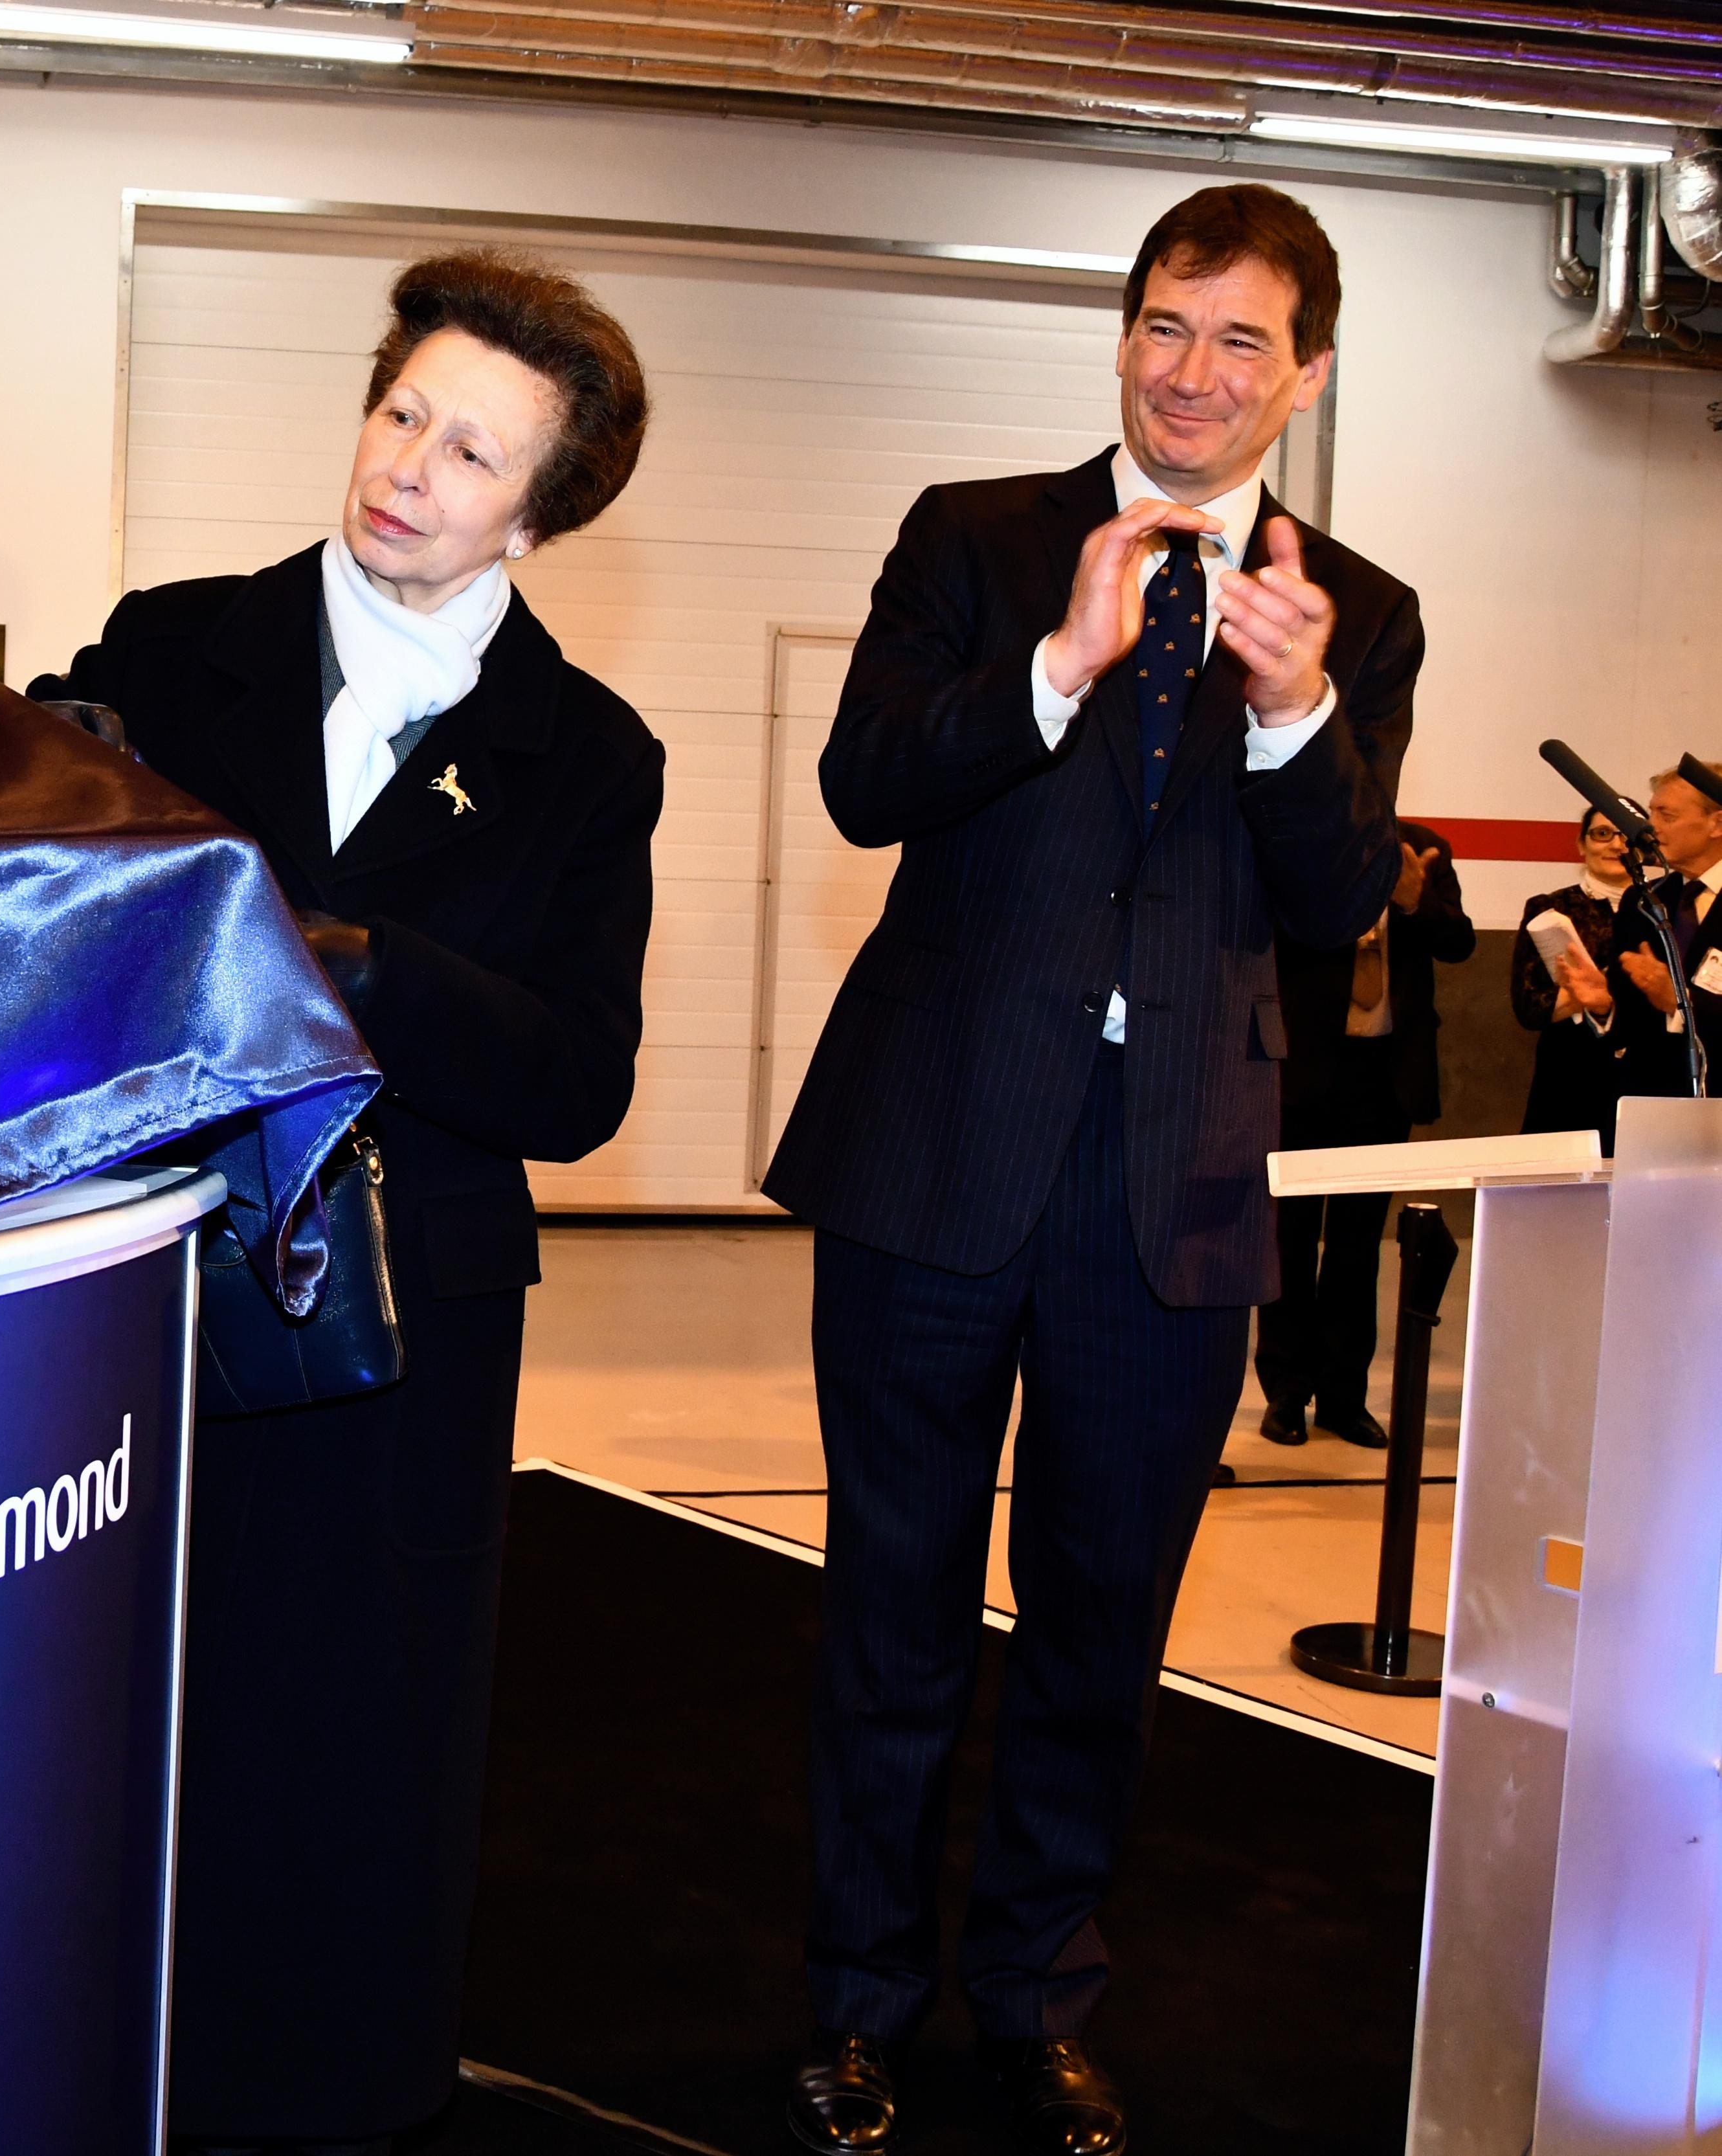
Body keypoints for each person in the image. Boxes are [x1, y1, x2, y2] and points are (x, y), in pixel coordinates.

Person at [759, 185, 1415, 2156]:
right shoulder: (974, 538)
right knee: (890, 1610)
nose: (1189, 372)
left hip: (1177, 1183)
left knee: (1098, 1629)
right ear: (1118, 335)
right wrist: (1054, 663)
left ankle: (1035, 2000)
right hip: (934, 1159)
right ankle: (856, 2006)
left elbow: (1339, 906)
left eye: (1238, 342)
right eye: (1160, 325)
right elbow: (866, 781)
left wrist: (1299, 717)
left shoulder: (1354, 613)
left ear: (1306, 372)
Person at [34, 249, 662, 2155]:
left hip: (412, 1316)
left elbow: (578, 1082)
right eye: (403, 413)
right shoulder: (164, 650)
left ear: (542, 511)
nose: (409, 469)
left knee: (367, 1743)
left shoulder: (591, 757)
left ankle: (347, 2099)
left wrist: (368, 965)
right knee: (131, 1711)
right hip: (143, 1272)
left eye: (473, 452)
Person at [1255, 818, 1474, 1448]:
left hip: (1382, 1080)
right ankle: (1287, 1393)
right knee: (1289, 1241)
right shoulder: (1298, 834)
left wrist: (1413, 899)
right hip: (1299, 1070)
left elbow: (1457, 942)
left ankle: (1343, 1397)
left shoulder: (1420, 847)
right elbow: (1274, 934)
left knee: (1357, 1244)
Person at [1511, 809, 1633, 1149]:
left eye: (1626, 835)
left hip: (1642, 1072)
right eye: (1602, 834)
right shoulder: (1551, 908)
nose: (1617, 845)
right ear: (1581, 844)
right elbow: (1530, 1009)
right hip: (1570, 1070)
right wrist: (1594, 993)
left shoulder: (1663, 908)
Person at [1604, 763, 1722, 1104]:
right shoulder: (1643, 898)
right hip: (1649, 1099)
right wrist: (1602, 1006)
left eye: (1667, 816)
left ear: (1716, 823)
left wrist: (1680, 1003)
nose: (1650, 827)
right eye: (1651, 812)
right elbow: (1627, 1014)